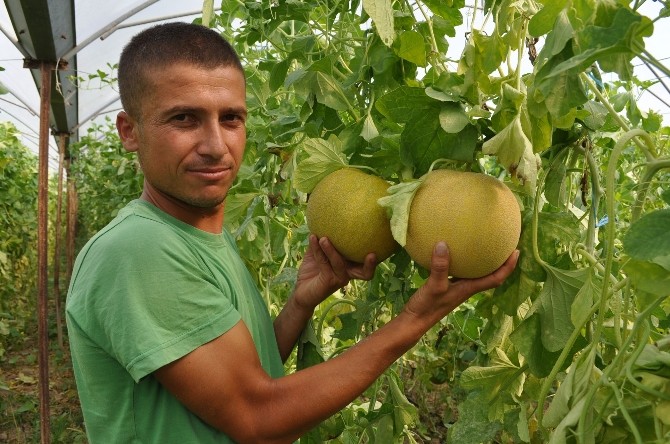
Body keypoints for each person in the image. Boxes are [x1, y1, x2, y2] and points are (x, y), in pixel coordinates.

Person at [65, 22, 519, 444]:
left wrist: (302, 302)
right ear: (130, 131)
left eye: (231, 118)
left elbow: (242, 376)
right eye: (184, 119)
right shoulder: (138, 250)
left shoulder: (195, 235)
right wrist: (416, 318)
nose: (215, 145)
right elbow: (258, 416)